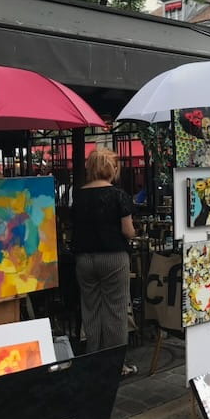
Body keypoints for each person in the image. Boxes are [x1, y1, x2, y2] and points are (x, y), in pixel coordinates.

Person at [71, 149, 138, 377]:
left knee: (91, 309)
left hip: (84, 258)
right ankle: (115, 365)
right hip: (113, 257)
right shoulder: (118, 195)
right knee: (116, 311)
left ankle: (93, 360)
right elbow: (127, 231)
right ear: (113, 169)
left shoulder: (78, 195)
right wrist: (135, 232)